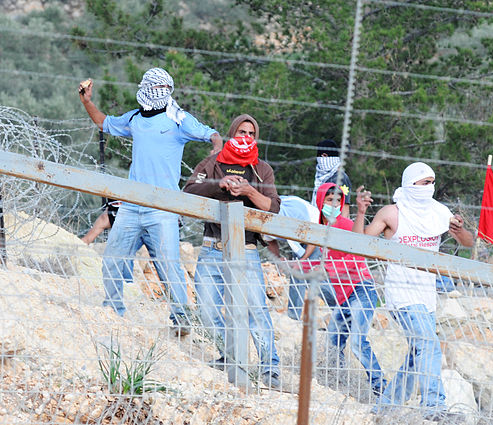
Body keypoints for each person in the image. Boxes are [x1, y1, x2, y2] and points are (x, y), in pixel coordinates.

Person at [78, 67, 223, 336]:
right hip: (131, 206)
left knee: (169, 267)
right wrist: (87, 101)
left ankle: (181, 319)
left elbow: (210, 133)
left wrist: (216, 146)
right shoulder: (134, 118)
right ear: (145, 88)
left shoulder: (178, 119)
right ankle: (113, 311)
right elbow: (104, 122)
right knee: (112, 259)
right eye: (154, 87)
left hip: (163, 209)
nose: (159, 92)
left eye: (164, 88)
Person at [353, 162, 474, 421]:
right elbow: (358, 243)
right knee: (428, 344)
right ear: (410, 184)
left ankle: (383, 410)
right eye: (423, 182)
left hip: (427, 296)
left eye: (432, 182)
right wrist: (361, 212)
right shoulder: (391, 213)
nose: (429, 187)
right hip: (402, 295)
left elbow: (468, 242)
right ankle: (434, 408)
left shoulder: (439, 212)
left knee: (417, 354)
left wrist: (459, 230)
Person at [183, 114, 283, 389]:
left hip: (247, 252)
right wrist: (219, 184)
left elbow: (272, 208)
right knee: (205, 309)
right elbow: (188, 191)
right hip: (211, 249)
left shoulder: (262, 169)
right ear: (231, 133)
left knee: (256, 312)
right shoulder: (214, 162)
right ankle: (230, 356)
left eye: (251, 133)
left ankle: (269, 370)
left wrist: (249, 190)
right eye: (241, 131)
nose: (246, 137)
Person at [300, 182, 386, 396]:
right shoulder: (320, 229)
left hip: (361, 289)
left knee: (357, 341)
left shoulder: (345, 224)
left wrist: (361, 212)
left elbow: (356, 249)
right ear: (320, 202)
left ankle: (381, 387)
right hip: (343, 296)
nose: (334, 204)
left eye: (338, 200)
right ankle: (334, 382)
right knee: (333, 342)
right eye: (329, 200)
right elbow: (314, 259)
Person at [263, 195, 337, 320]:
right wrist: (278, 259)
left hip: (315, 232)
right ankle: (339, 307)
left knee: (305, 272)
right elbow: (270, 240)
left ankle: (338, 307)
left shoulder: (290, 217)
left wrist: (301, 262)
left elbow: (314, 239)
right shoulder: (264, 218)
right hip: (299, 234)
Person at [311, 139, 352, 218]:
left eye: (319, 157)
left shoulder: (340, 177)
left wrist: (342, 228)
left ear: (324, 156)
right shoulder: (321, 177)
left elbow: (345, 207)